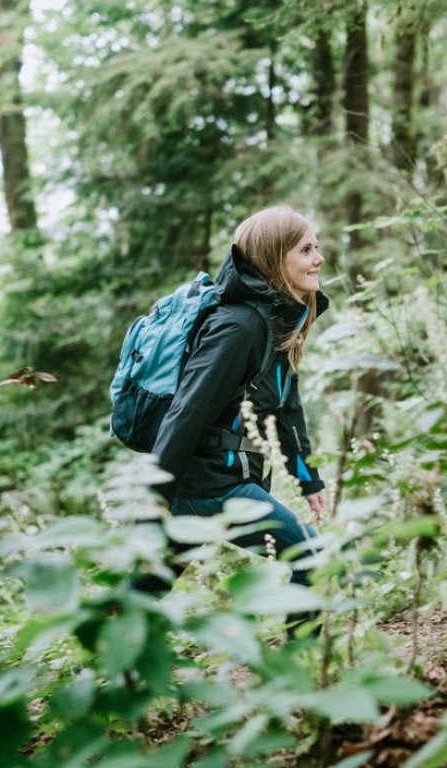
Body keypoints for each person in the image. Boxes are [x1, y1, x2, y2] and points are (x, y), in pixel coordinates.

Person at [137, 205, 329, 618]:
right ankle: (301, 672)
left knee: (143, 590)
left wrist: (309, 479)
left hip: (206, 484)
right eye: (306, 249)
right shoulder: (238, 327)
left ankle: (99, 658)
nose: (319, 258)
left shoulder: (274, 323)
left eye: (317, 247)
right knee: (310, 558)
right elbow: (186, 411)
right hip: (213, 488)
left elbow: (285, 410)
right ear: (276, 258)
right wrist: (154, 500)